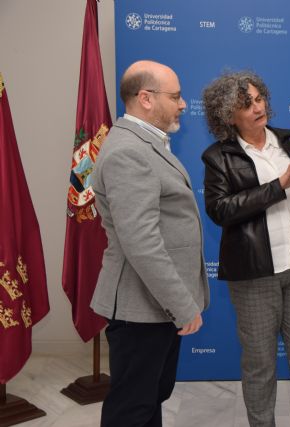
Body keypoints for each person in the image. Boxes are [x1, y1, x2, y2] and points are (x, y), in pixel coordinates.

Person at [201, 71, 290, 427]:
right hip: (254, 276)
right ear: (228, 116)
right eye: (246, 104)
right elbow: (221, 210)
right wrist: (279, 184)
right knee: (260, 365)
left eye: (259, 99)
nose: (258, 108)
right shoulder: (218, 157)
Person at [90, 60, 210, 427]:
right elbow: (141, 242)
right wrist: (182, 305)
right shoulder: (129, 151)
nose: (183, 104)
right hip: (140, 307)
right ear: (145, 98)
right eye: (175, 96)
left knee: (148, 400)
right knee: (133, 408)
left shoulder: (145, 143)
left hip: (152, 306)